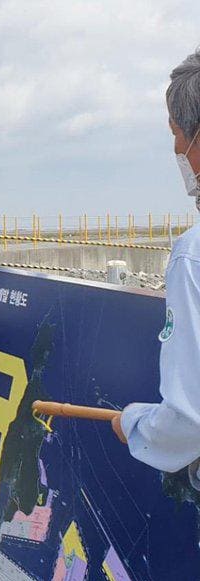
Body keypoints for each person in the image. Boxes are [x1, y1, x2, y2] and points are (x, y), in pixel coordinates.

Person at [114, 49, 200, 479]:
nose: (176, 148)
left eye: (177, 132)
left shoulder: (192, 256)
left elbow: (190, 415)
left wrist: (134, 424)